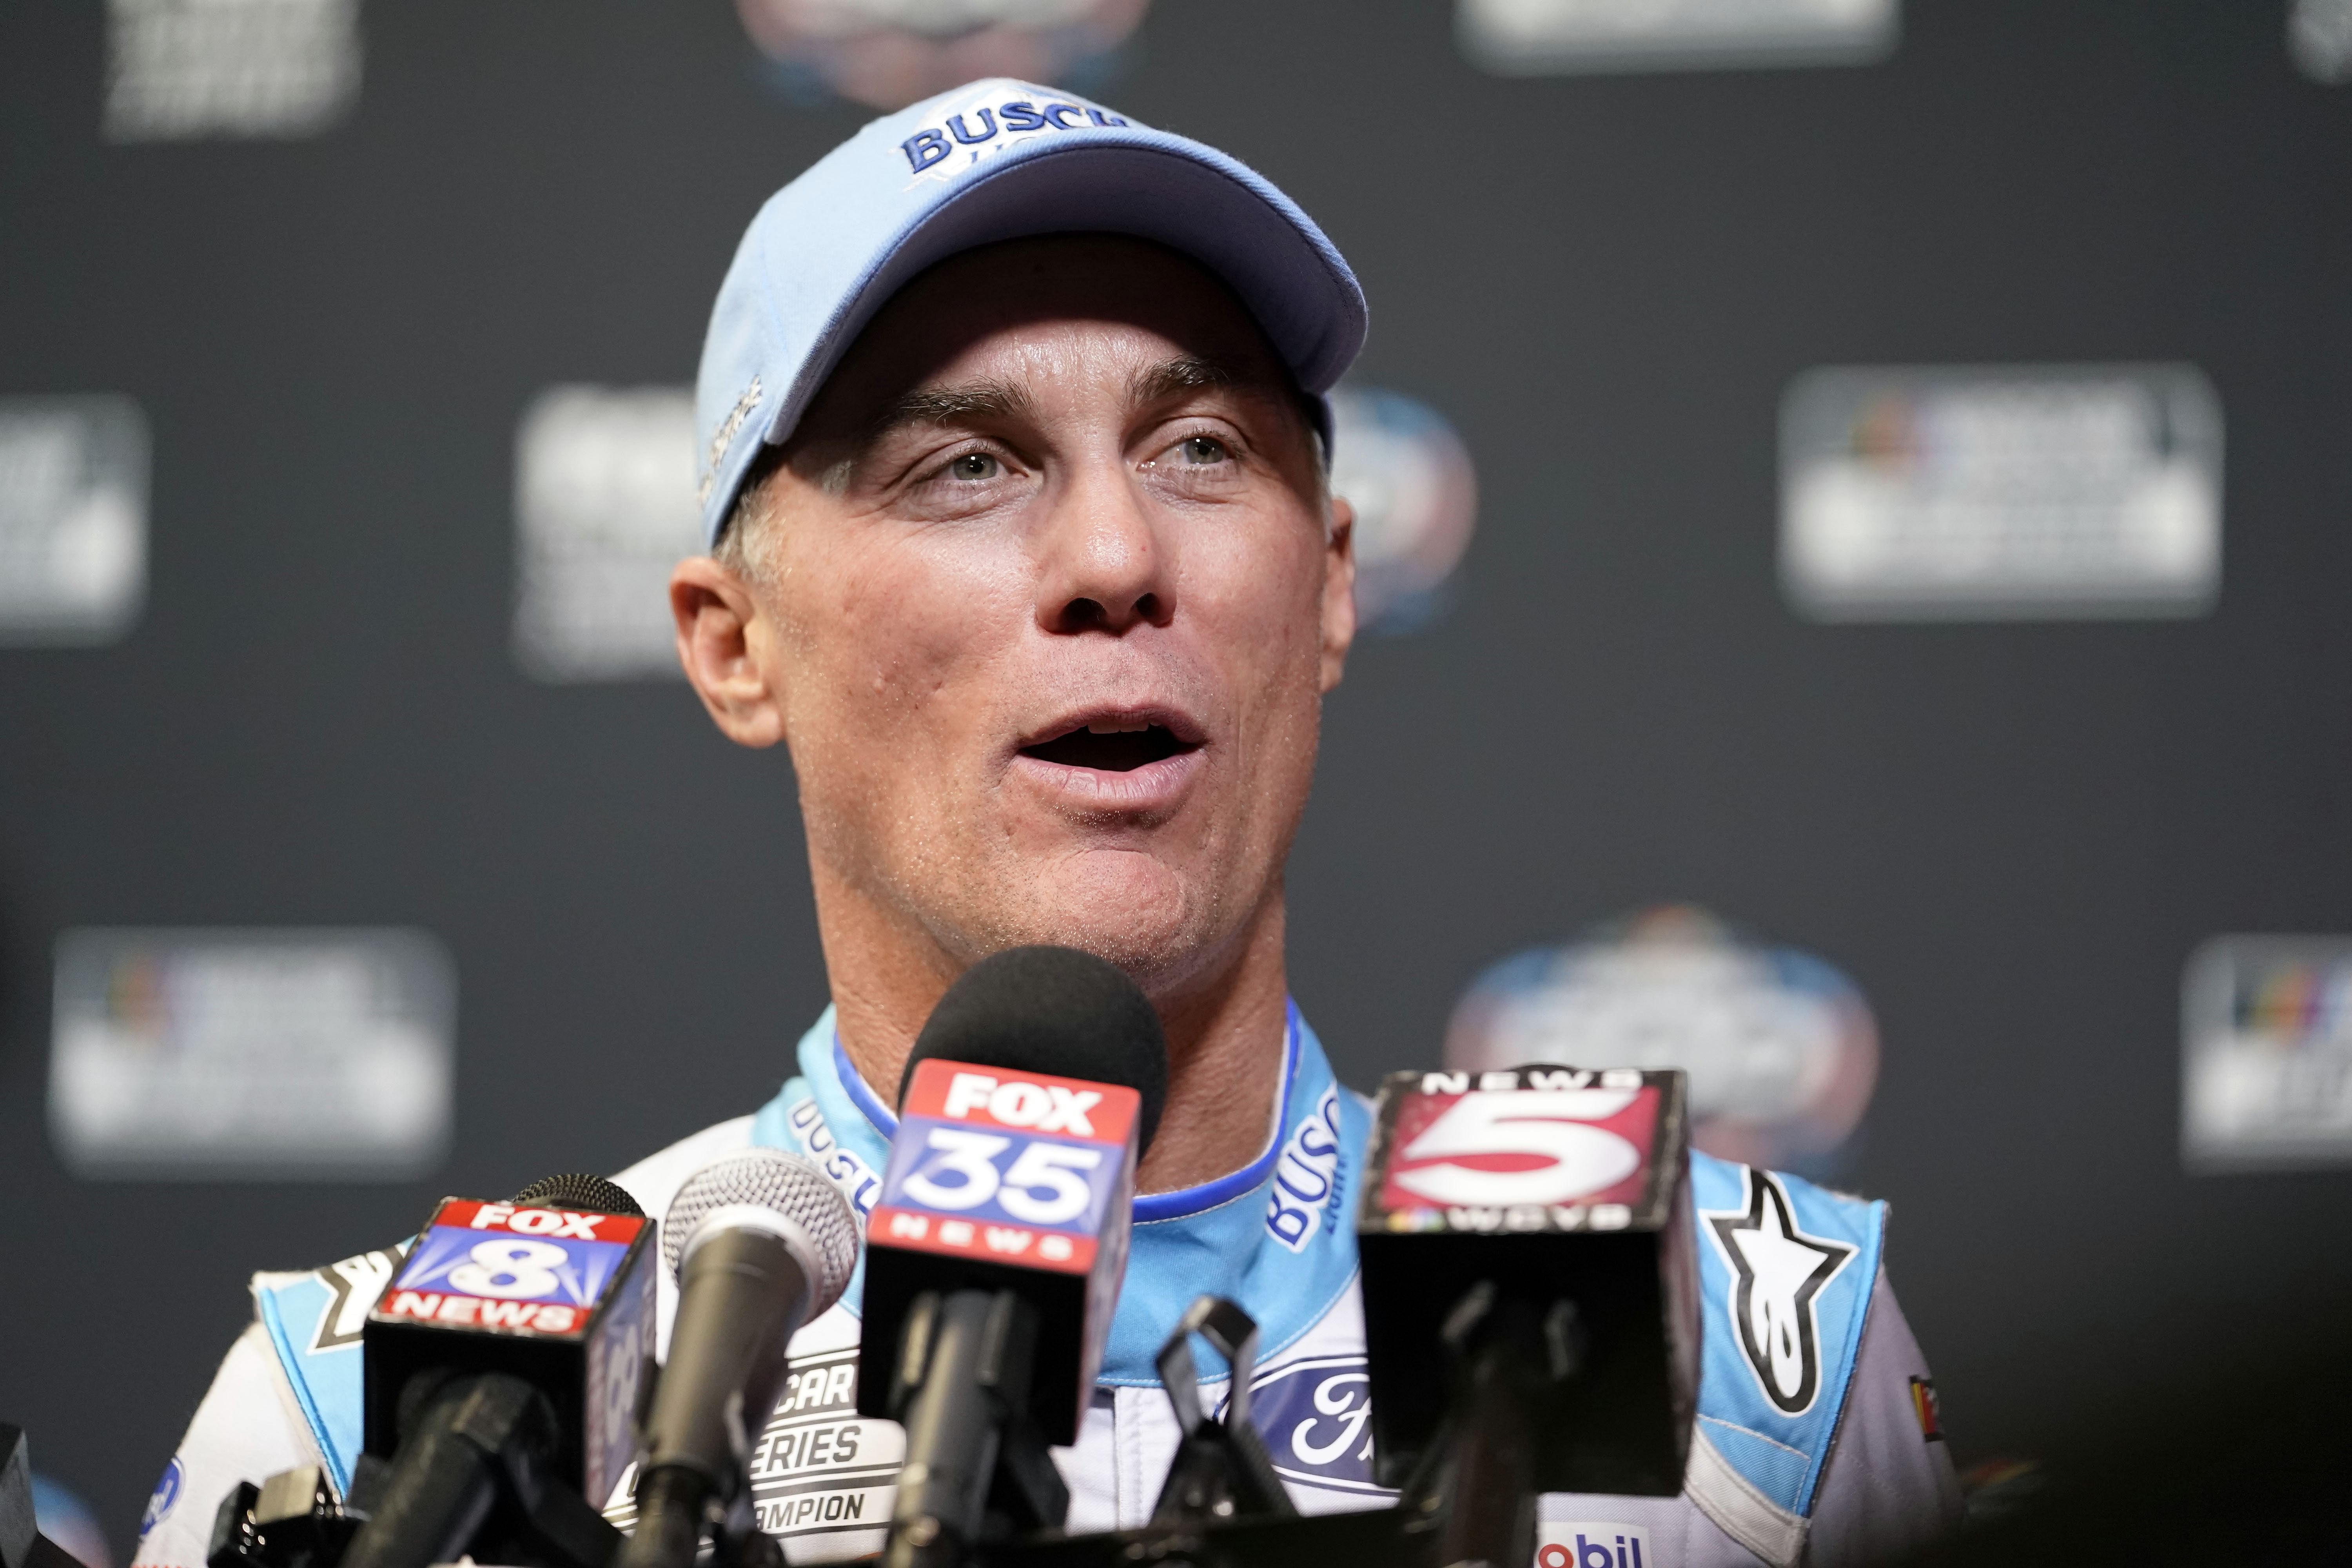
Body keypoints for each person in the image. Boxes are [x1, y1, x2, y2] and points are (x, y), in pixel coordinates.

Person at [130, 79, 1959, 1568]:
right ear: (734, 644)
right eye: (965, 467)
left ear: (1329, 587)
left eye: (1200, 451)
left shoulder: (1755, 1361)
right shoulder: (389, 1432)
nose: (1111, 560)